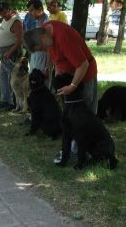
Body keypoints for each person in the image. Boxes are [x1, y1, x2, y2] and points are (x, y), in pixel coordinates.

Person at [23, 21, 98, 162]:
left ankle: (88, 149)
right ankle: (74, 147)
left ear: (43, 37)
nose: (44, 51)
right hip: (68, 76)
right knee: (70, 114)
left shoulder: (63, 37)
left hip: (83, 75)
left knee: (84, 113)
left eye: (42, 48)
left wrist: (73, 85)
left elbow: (83, 65)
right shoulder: (46, 30)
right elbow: (55, 57)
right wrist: (58, 76)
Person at [0, 2, 23, 110]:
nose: (2, 14)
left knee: (12, 77)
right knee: (3, 76)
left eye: (4, 11)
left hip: (11, 53)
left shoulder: (16, 21)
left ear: (9, 9)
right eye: (0, 12)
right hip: (4, 54)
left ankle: (13, 102)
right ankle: (5, 100)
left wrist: (10, 52)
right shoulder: (4, 19)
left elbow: (20, 40)